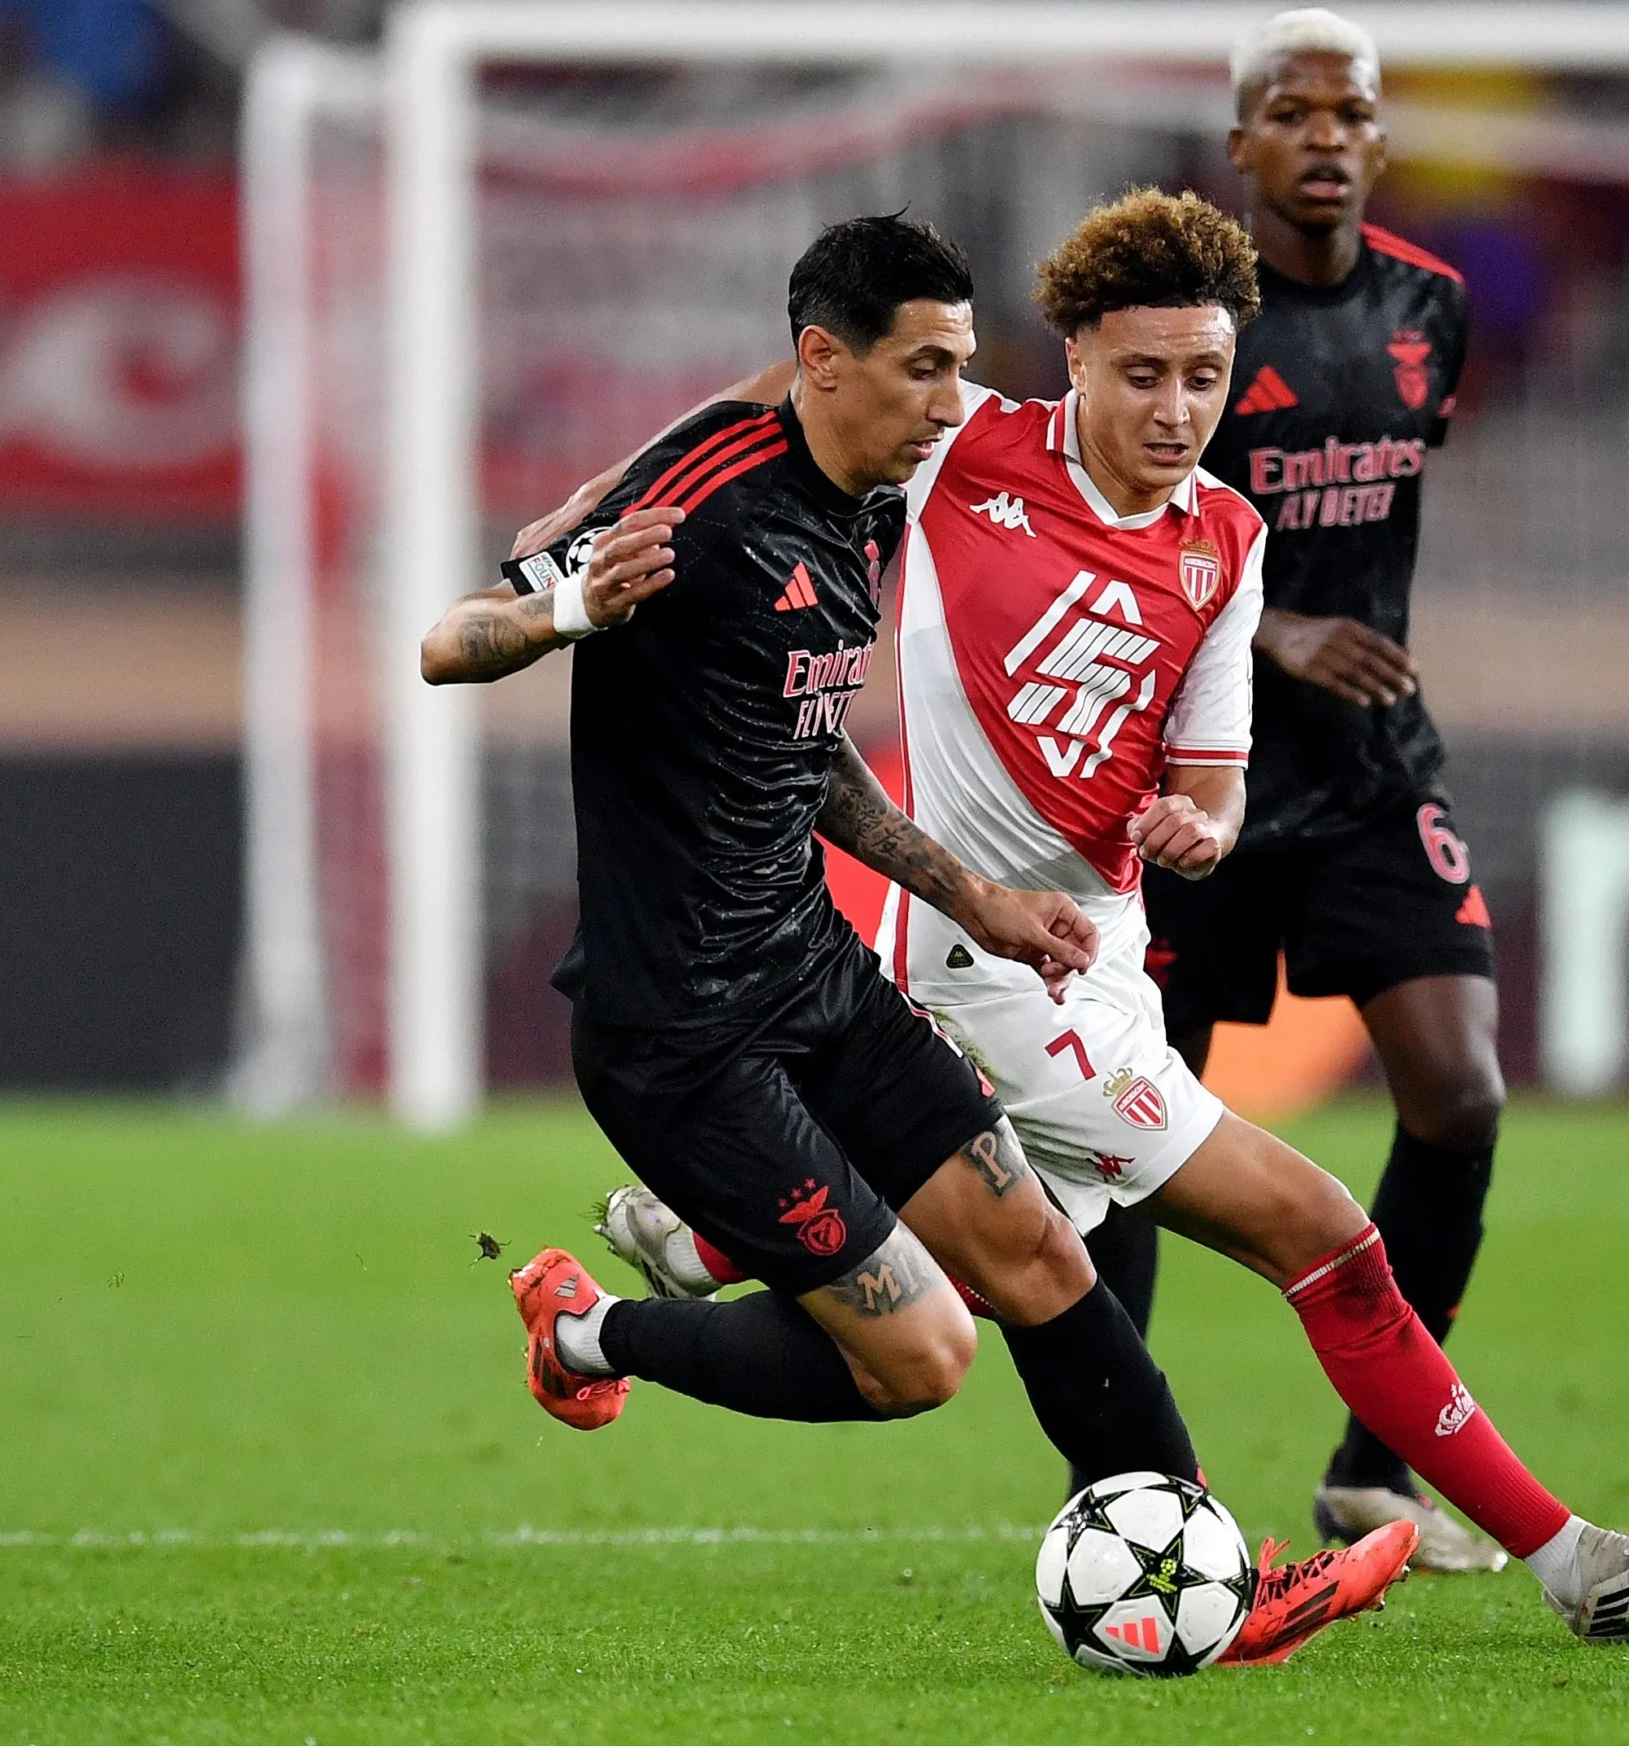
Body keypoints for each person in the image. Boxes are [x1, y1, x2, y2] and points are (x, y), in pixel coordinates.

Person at [566, 191, 1629, 1645]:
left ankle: (661, 1278)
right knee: (1318, 1233)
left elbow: (1212, 772)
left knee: (982, 1293)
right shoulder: (961, 446)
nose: (1179, 409)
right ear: (1070, 358)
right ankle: (1564, 1564)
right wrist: (580, 539)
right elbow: (769, 404)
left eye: (1205, 377)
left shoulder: (1227, 541)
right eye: (1143, 374)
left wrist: (1207, 825)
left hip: (1106, 957)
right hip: (987, 966)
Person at [423, 214, 1412, 1665]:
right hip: (679, 1035)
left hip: (818, 975)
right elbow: (451, 637)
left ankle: (1199, 1564)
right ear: (823, 360)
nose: (955, 403)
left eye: (964, 365)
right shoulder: (703, 495)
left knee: (1040, 1258)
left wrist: (978, 903)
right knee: (924, 1358)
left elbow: (804, 749)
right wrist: (563, 606)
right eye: (928, 367)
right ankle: (587, 1334)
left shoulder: (869, 500)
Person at [1092, 6, 1515, 1573]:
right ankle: (1127, 1477)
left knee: (1459, 1089)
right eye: (1294, 112)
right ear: (1241, 145)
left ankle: (1375, 1469)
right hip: (1192, 784)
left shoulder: (1434, 308)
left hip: (1367, 770)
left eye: (1352, 112)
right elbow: (1116, 524)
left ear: (1381, 139)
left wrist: (1336, 637)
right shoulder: (1187, 327)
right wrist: (1272, 625)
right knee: (1125, 1129)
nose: (1327, 136)